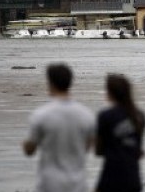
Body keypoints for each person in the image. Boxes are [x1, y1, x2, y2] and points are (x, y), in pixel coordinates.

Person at [22, 63, 95, 192]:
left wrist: (25, 144)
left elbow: (29, 151)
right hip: (78, 183)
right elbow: (87, 147)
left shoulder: (41, 115)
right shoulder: (87, 115)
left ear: (50, 83)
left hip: (50, 184)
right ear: (70, 82)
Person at [96, 74, 145, 192]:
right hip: (134, 178)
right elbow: (138, 151)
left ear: (110, 93)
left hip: (111, 177)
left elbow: (99, 151)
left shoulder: (105, 116)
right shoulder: (140, 116)